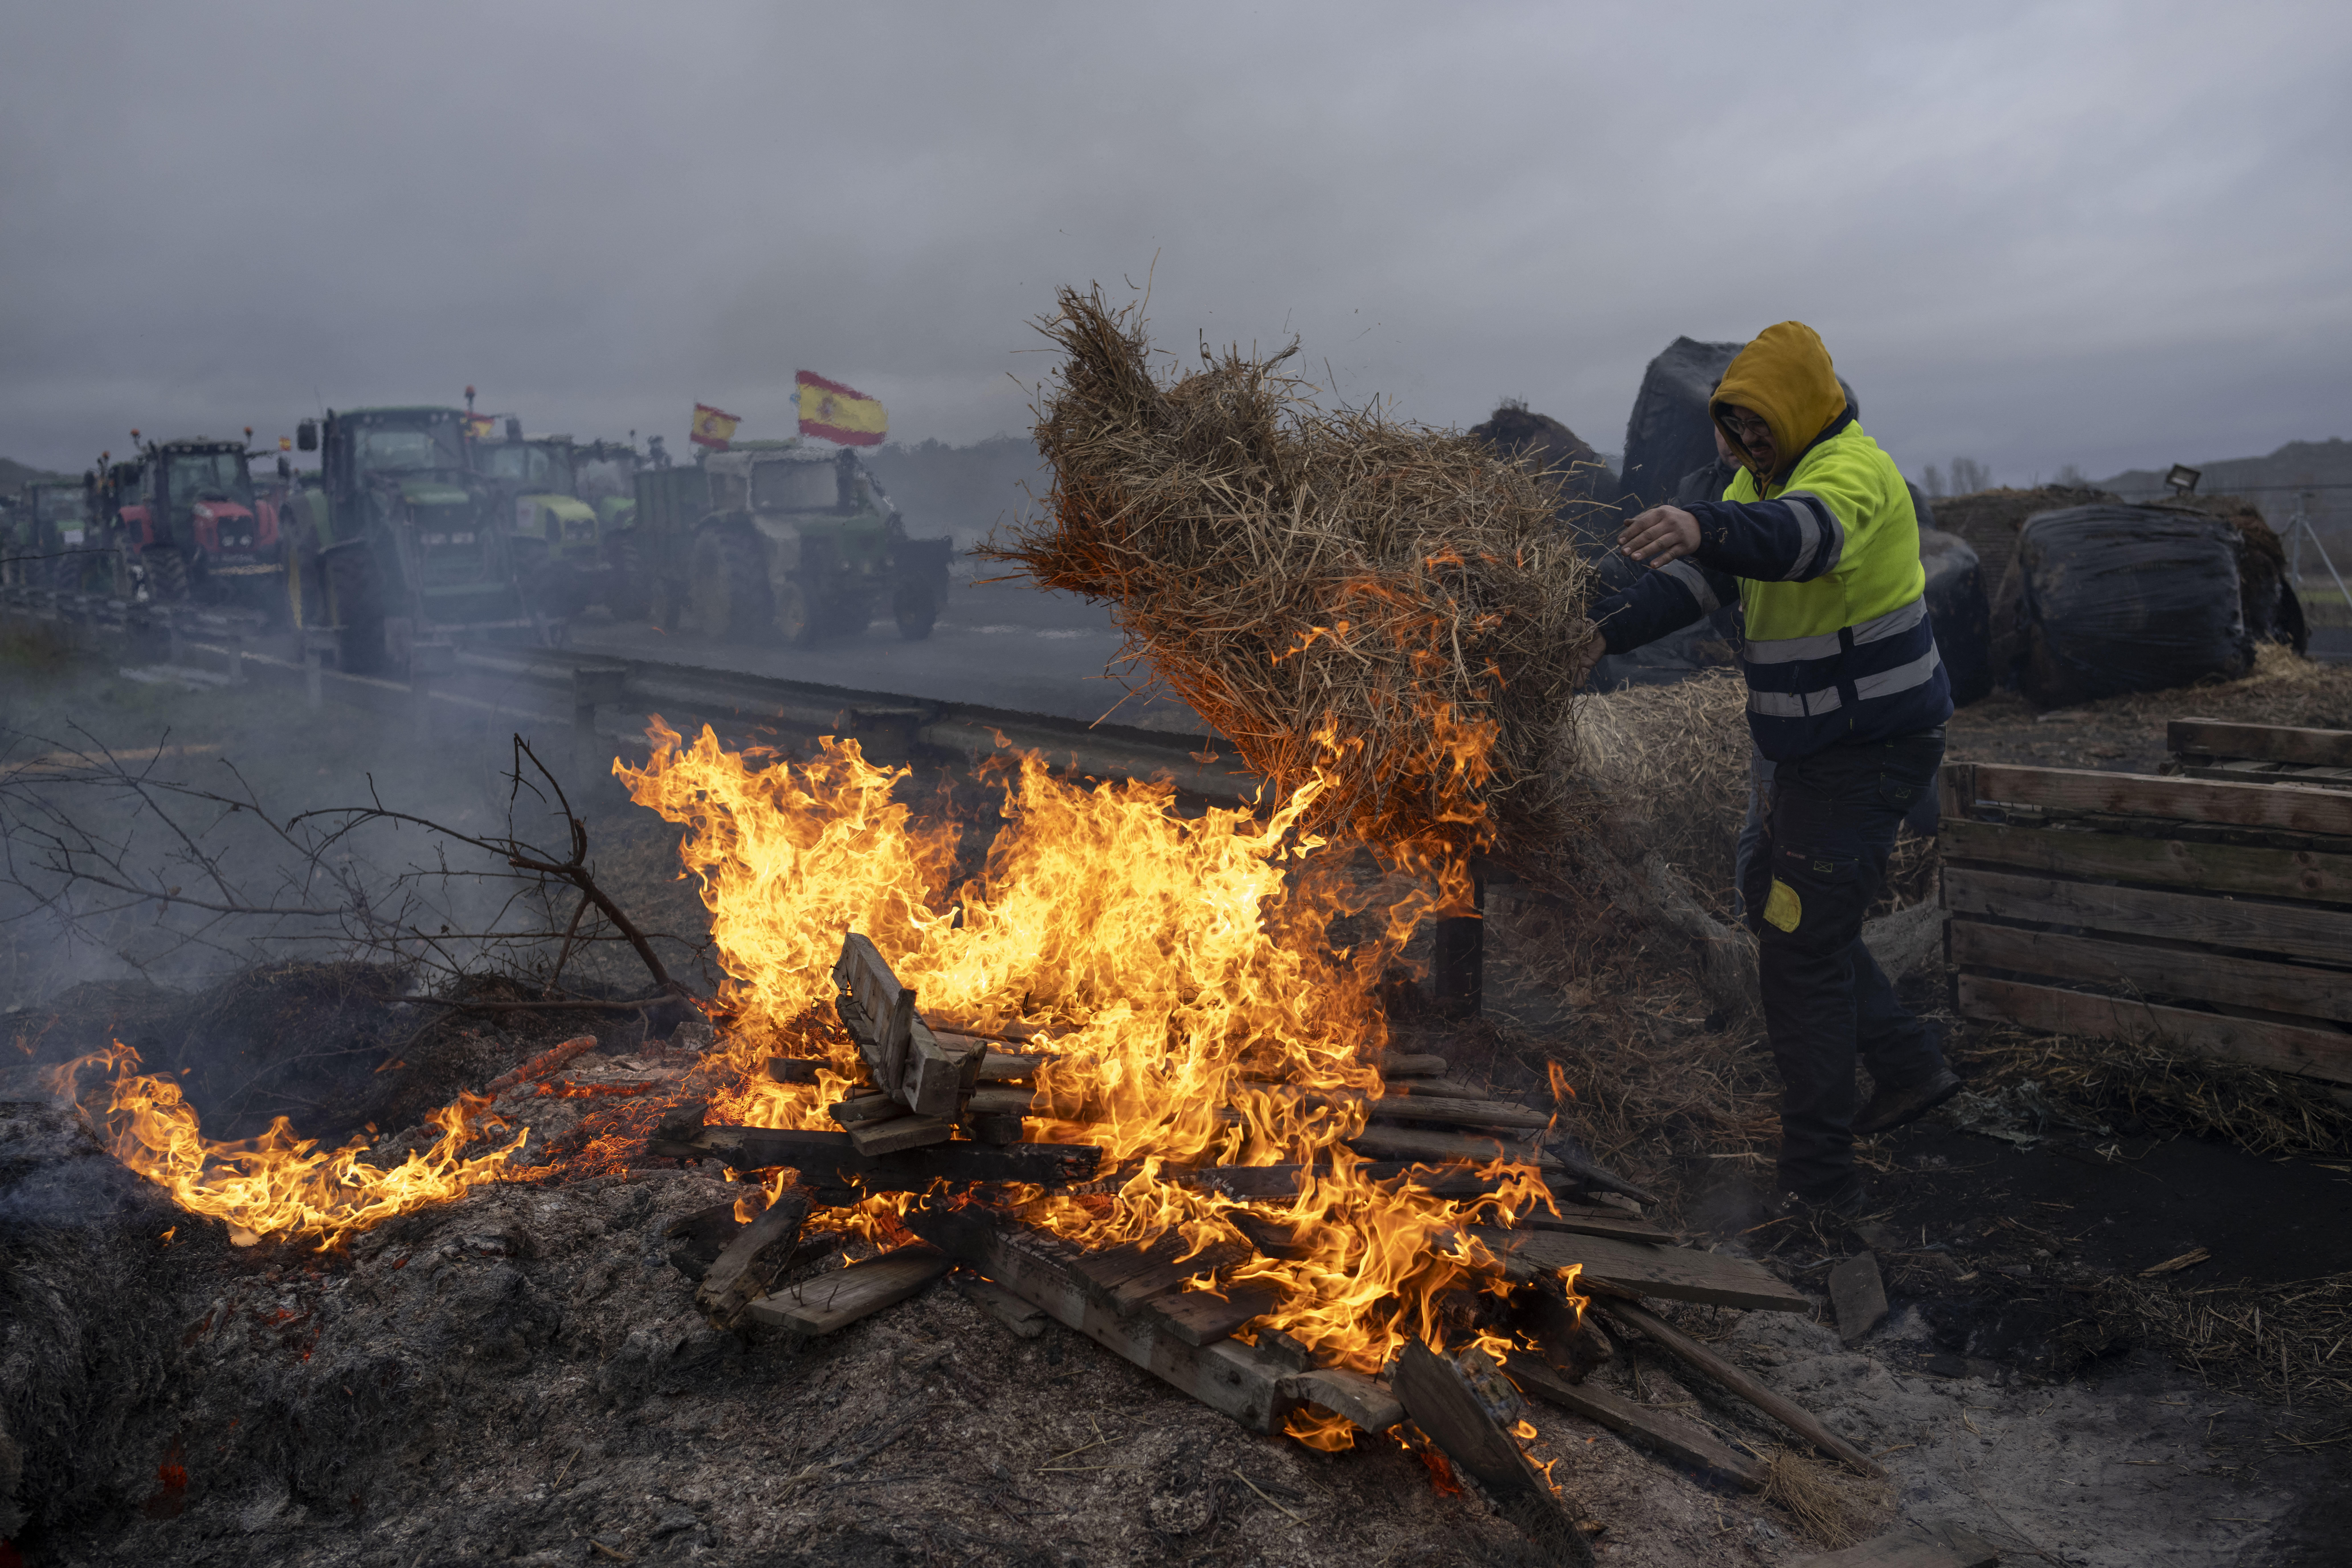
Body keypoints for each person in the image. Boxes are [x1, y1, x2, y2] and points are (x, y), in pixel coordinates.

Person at [1575, 321, 1961, 1218]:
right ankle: (1908, 1061)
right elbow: (1698, 584)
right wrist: (1597, 632)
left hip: (1868, 749)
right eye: (1733, 426)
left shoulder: (1851, 475)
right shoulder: (1759, 483)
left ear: (1800, 410)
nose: (1746, 443)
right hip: (1804, 747)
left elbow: (1801, 540)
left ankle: (1820, 1182)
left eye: (1760, 425)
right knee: (1774, 899)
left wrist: (1700, 522)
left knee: (1798, 950)